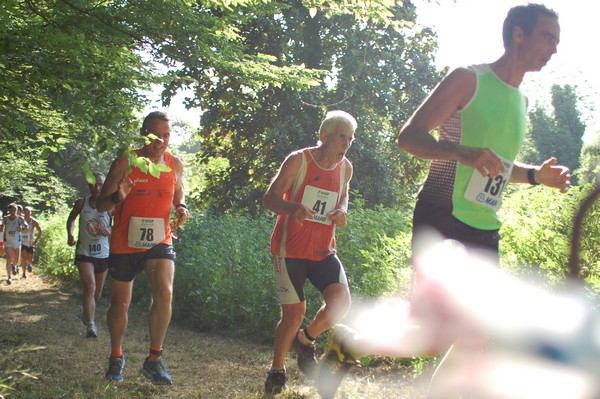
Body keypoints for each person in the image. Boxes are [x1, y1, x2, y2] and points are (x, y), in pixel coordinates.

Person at [315, 4, 571, 399]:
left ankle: (351, 344)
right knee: (441, 334)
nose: (554, 48)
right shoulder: (468, 80)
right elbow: (409, 137)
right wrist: (461, 151)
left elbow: (497, 166)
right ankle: (350, 344)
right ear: (518, 34)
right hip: (443, 214)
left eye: (557, 40)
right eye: (547, 37)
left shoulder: (521, 102)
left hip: (485, 225)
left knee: (468, 338)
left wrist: (536, 175)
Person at [262, 110, 356, 394]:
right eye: (342, 137)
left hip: (323, 250)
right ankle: (277, 370)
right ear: (324, 135)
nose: (346, 144)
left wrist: (342, 210)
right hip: (289, 250)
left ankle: (306, 339)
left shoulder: (346, 168)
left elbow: (344, 194)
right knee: (294, 312)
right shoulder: (298, 160)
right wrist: (293, 208)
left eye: (351, 139)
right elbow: (269, 198)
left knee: (341, 304)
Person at [96, 111, 189, 385]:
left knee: (164, 293)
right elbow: (101, 205)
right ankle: (116, 357)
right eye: (156, 134)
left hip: (161, 239)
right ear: (143, 132)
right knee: (120, 303)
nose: (161, 140)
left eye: (167, 135)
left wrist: (181, 206)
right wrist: (117, 196)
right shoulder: (126, 162)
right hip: (126, 242)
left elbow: (178, 191)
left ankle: (154, 359)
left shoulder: (174, 164)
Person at [66, 172, 112, 338]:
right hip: (84, 252)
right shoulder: (81, 203)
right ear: (88, 185)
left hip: (103, 254)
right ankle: (91, 325)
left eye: (100, 185)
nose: (96, 188)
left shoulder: (110, 205)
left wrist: (109, 230)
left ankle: (86, 313)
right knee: (90, 286)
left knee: (97, 293)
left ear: (105, 186)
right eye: (93, 184)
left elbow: (120, 226)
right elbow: (71, 220)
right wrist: (70, 235)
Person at [3, 203, 26, 284]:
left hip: (17, 241)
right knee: (9, 258)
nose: (12, 212)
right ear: (8, 210)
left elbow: (26, 226)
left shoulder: (20, 219)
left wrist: (21, 227)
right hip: (8, 241)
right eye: (11, 210)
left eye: (14, 210)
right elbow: (2, 227)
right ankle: (9, 277)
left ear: (16, 211)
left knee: (16, 260)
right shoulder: (5, 218)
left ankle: (14, 266)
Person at [20, 206, 42, 279]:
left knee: (29, 258)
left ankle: (29, 264)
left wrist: (36, 240)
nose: (26, 213)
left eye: (28, 212)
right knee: (23, 256)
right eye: (25, 211)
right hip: (22, 241)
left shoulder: (34, 222)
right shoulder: (20, 220)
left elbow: (40, 231)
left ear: (30, 213)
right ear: (23, 212)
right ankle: (23, 273)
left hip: (30, 242)